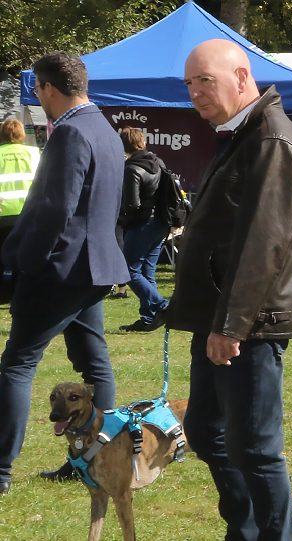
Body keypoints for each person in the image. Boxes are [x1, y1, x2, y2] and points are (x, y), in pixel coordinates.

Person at [171, 39, 292, 539]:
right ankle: (247, 528)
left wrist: (231, 325)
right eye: (189, 83)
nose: (195, 93)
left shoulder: (270, 140)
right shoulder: (239, 134)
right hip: (220, 317)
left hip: (247, 324)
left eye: (205, 81)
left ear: (241, 76)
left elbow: (263, 244)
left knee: (254, 447)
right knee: (206, 430)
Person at [0, 52, 129, 493]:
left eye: (37, 90)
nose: (37, 97)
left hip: (61, 269)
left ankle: (0, 471)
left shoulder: (72, 131)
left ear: (48, 88)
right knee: (93, 363)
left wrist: (25, 262)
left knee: (17, 365)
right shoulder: (106, 130)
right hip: (92, 269)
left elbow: (55, 209)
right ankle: (93, 460)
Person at [116, 127, 173, 332]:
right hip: (160, 223)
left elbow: (132, 204)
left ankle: (162, 305)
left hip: (141, 224)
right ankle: (149, 318)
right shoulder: (158, 162)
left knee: (129, 270)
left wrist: (119, 217)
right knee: (147, 271)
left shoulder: (131, 168)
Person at [0, 118, 40, 299]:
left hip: (2, 212)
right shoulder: (34, 153)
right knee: (22, 254)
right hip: (27, 212)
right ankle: (19, 291)